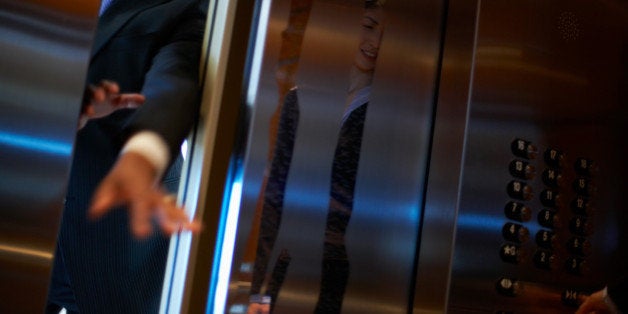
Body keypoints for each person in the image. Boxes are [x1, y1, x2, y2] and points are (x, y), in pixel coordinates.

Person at [46, 0, 206, 313]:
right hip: (20, 231)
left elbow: (174, 83)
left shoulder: (179, 8)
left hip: (121, 248)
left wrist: (142, 156)